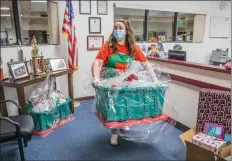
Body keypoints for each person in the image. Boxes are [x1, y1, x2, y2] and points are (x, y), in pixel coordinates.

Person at [91, 20, 156, 145]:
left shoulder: (132, 47)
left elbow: (145, 63)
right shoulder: (108, 46)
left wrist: (154, 78)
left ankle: (123, 123)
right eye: (115, 27)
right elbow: (97, 62)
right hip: (112, 83)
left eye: (120, 27)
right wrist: (96, 77)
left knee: (125, 105)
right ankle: (115, 133)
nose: (117, 30)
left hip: (128, 83)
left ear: (126, 30)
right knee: (114, 107)